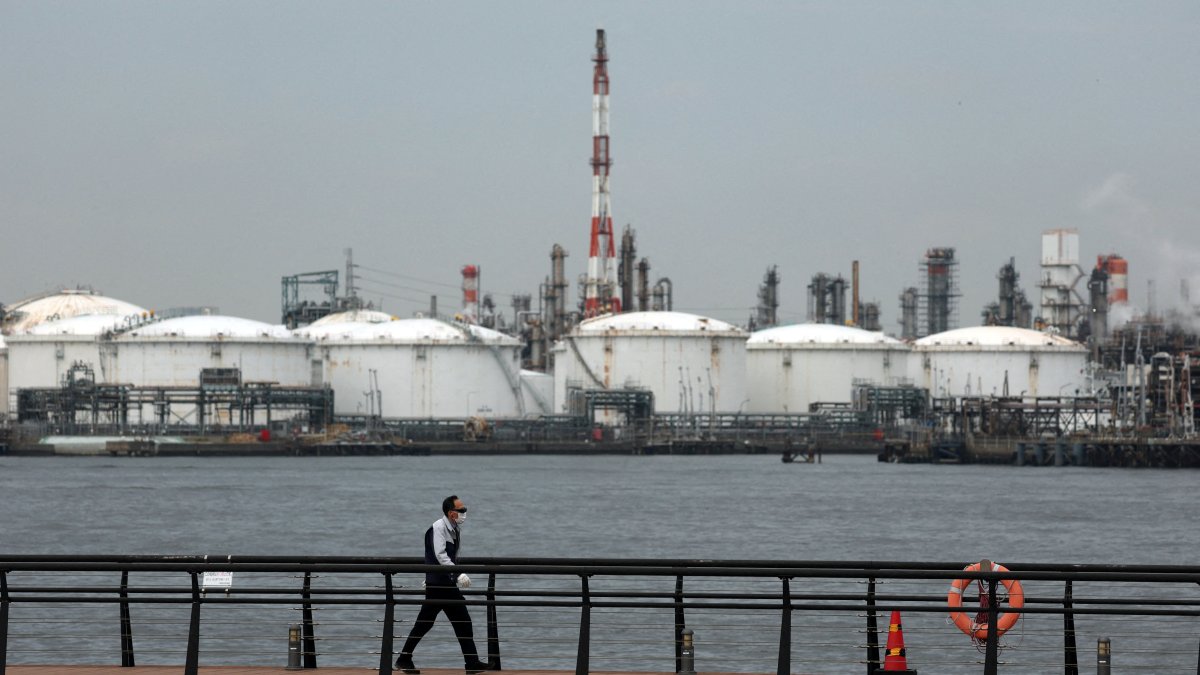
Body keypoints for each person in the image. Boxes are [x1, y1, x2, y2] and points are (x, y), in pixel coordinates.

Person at [395, 495, 491, 675]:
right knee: (456, 621)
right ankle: (470, 663)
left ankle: (405, 658)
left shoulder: (454, 528)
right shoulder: (438, 528)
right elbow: (440, 555)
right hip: (441, 584)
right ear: (451, 513)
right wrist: (457, 573)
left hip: (441, 583)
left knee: (429, 622)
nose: (464, 513)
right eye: (461, 510)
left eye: (465, 509)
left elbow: (440, 556)